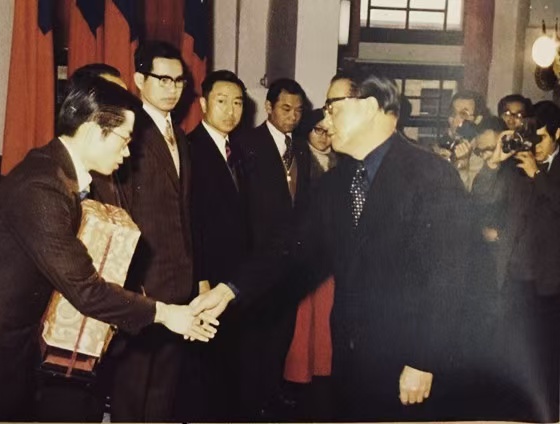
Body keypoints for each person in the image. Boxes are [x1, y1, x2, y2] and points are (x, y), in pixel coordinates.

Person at [0, 76, 216, 422]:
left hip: (2, 357)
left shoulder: (55, 172)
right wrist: (166, 314)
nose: (127, 152)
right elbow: (86, 290)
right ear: (92, 131)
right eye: (124, 140)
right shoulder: (43, 187)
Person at [191, 74, 475, 422]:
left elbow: (449, 277)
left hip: (407, 361)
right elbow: (289, 245)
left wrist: (423, 360)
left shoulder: (431, 175)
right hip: (350, 360)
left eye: (332, 108)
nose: (324, 122)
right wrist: (229, 289)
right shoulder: (337, 183)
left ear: (368, 107)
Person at [91, 40, 194, 422]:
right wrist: (133, 283)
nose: (172, 88)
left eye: (178, 81)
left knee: (164, 391)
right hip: (143, 288)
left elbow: (182, 214)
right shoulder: (128, 132)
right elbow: (118, 213)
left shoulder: (179, 135)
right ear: (138, 79)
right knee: (133, 393)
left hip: (178, 284)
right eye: (162, 79)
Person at [471, 100, 560, 422]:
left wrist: (538, 175)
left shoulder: (545, 169)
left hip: (551, 284)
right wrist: (495, 162)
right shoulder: (516, 165)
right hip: (514, 276)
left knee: (547, 362)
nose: (535, 144)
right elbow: (481, 198)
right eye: (531, 137)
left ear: (558, 134)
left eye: (541, 137)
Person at [232, 77, 311, 420]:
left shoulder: (302, 148)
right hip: (257, 259)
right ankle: (250, 403)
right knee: (254, 336)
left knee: (282, 332)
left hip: (290, 263)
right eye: (286, 108)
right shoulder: (245, 143)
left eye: (298, 110)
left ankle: (271, 394)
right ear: (268, 107)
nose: (293, 116)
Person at [178, 69, 249, 421]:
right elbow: (191, 221)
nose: (230, 111)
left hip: (234, 278)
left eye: (237, 103)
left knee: (228, 367)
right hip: (207, 279)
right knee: (204, 370)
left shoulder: (238, 150)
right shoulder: (191, 149)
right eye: (222, 101)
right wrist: (202, 279)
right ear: (204, 104)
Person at [281, 108, 338, 420]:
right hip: (307, 250)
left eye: (328, 131)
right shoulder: (299, 158)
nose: (324, 137)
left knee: (327, 317)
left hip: (332, 252)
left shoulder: (342, 159)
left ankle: (323, 372)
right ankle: (299, 377)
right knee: (305, 320)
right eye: (318, 130)